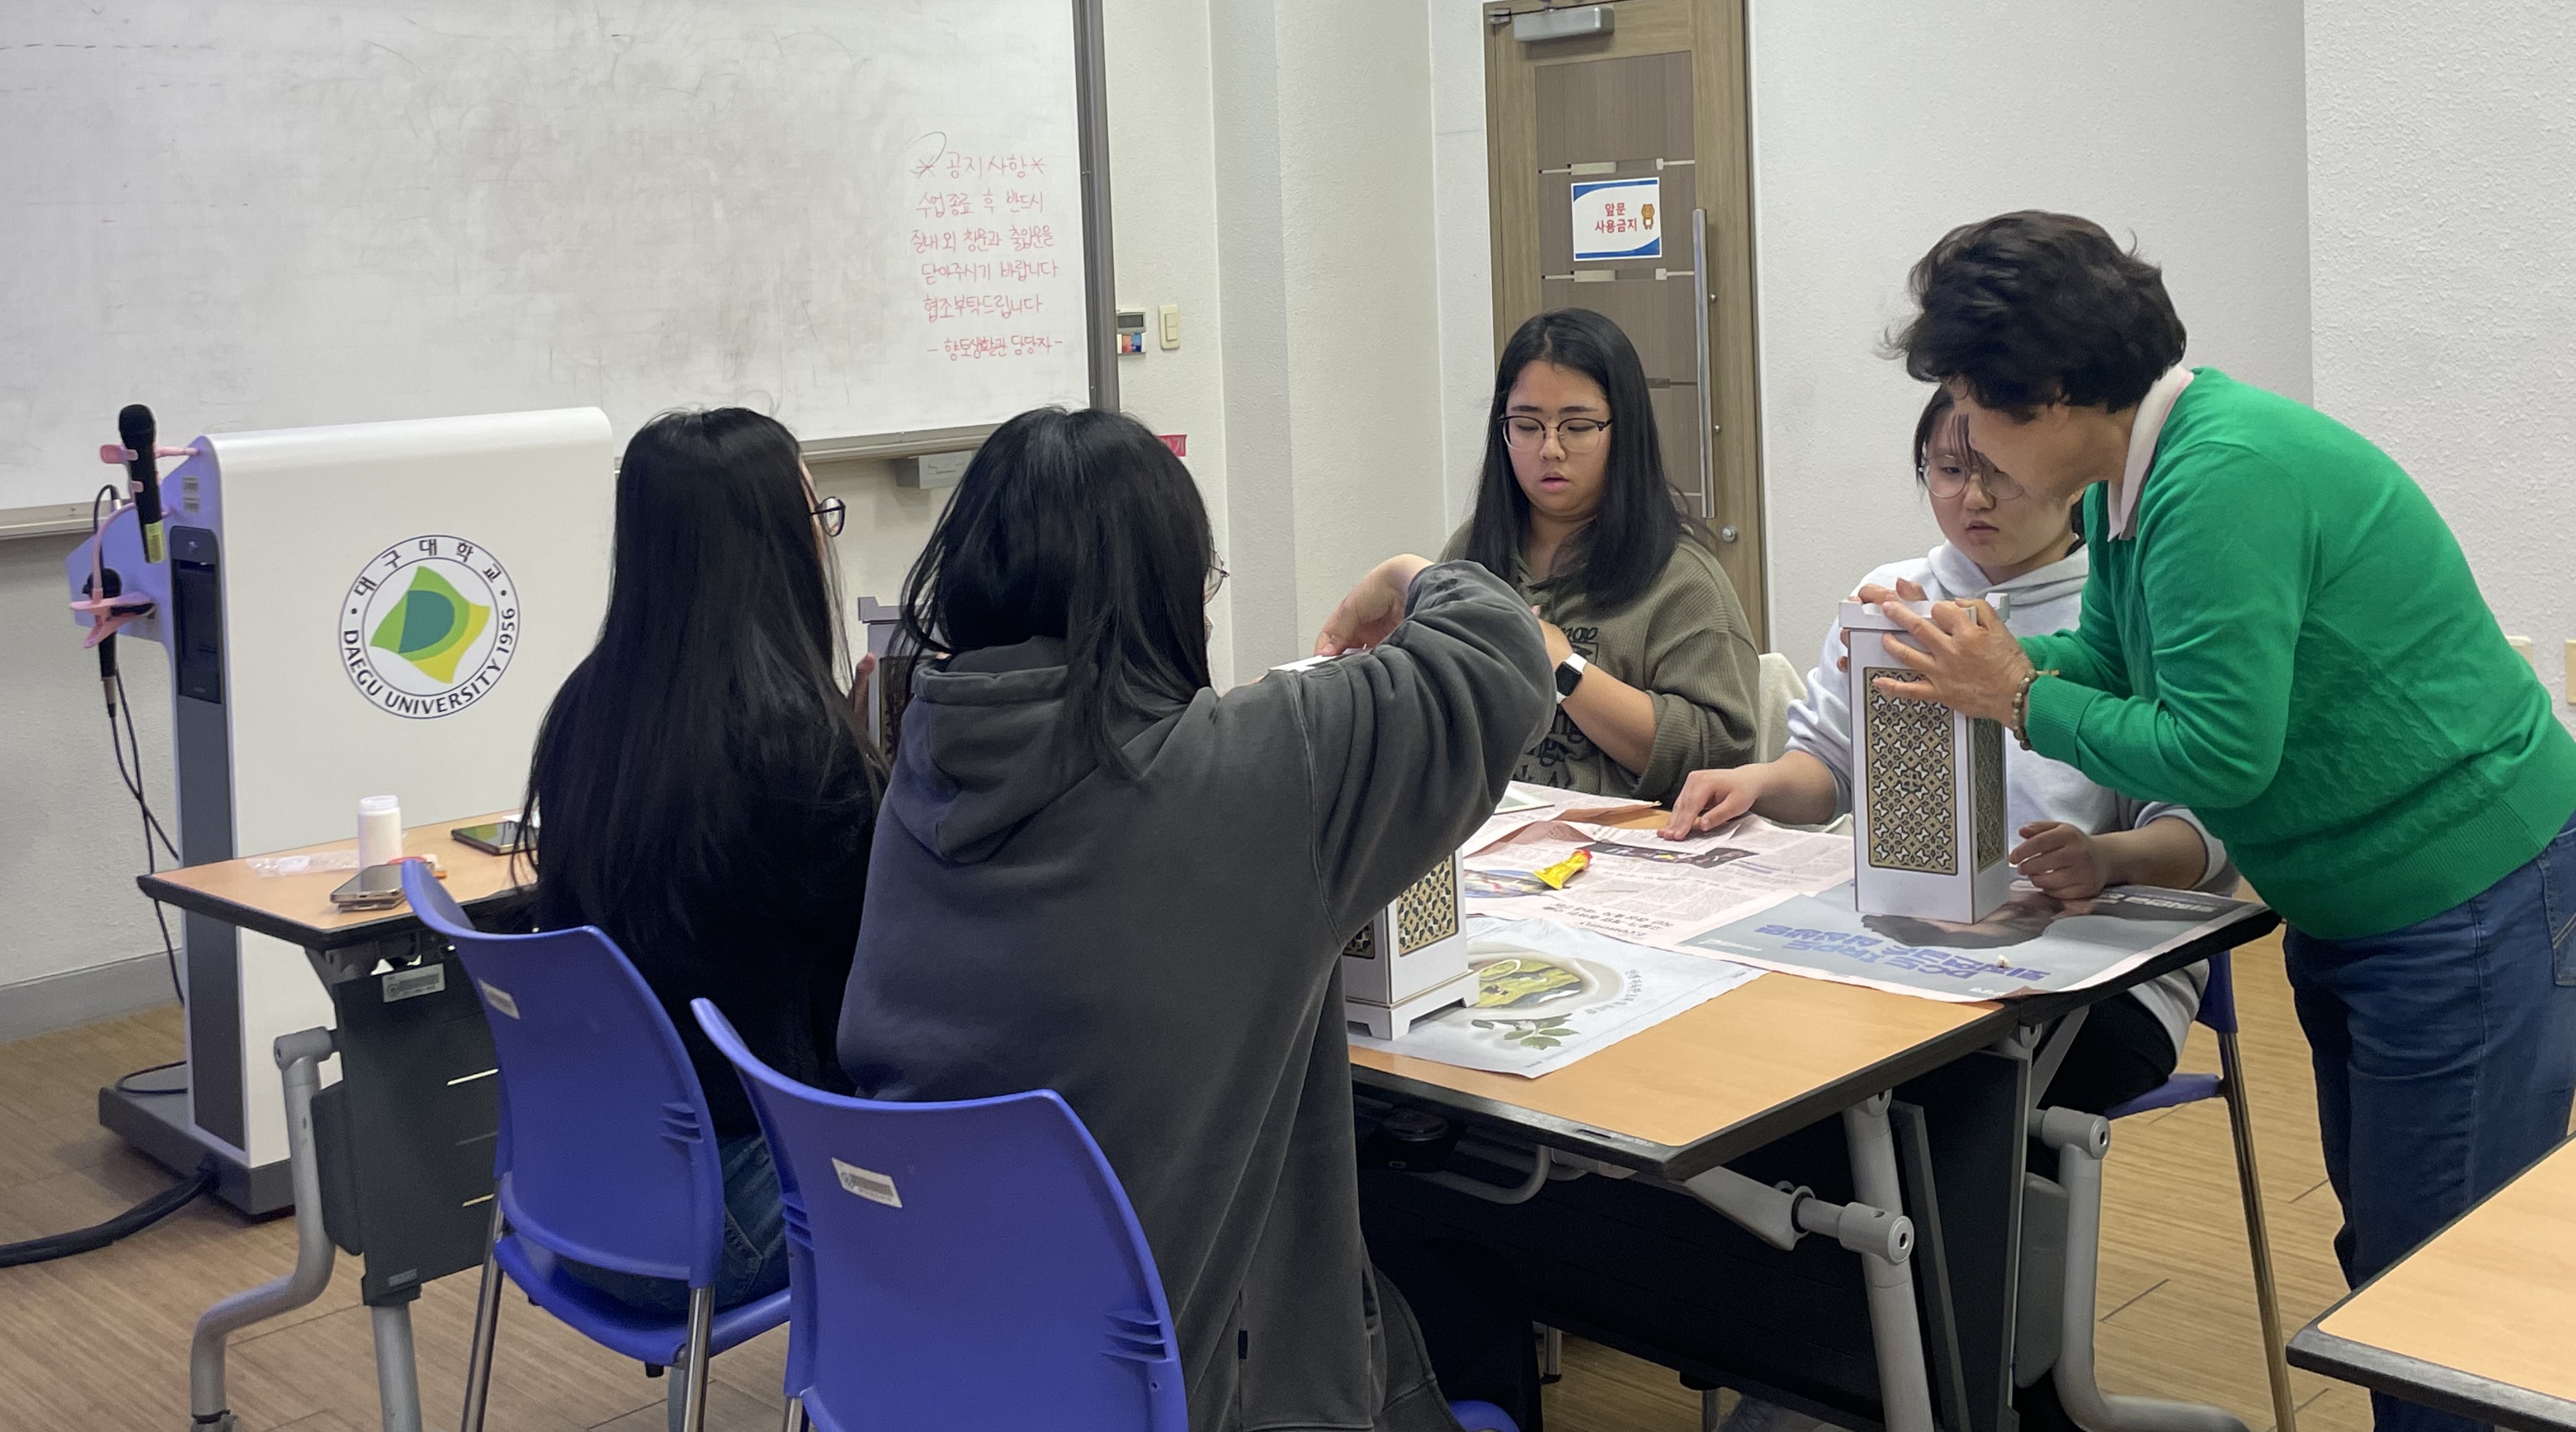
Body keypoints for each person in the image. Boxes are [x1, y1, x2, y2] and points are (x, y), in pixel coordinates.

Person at [1857, 213, 2576, 1432]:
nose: (1967, 440)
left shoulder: (2219, 477)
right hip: (2365, 893)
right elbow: (2116, 662)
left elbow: (2217, 750)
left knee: (2437, 1287)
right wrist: (1990, 664)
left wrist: (2020, 697)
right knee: (2394, 1253)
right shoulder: (2132, 476)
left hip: (2468, 883)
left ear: (2051, 394)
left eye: (1974, 404)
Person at [837, 407, 1554, 1432]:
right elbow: (1501, 655)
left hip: (952, 1356)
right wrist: (1405, 577)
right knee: (1462, 1301)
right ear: (1165, 596)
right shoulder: (1255, 771)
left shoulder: (922, 757)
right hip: (1183, 1381)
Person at [1666, 385, 2228, 1124]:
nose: (1975, 497)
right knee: (1770, 1045)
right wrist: (1757, 782)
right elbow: (1830, 769)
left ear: (2069, 472)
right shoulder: (1891, 601)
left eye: (2002, 470)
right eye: (1951, 470)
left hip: (2098, 973)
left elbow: (2201, 832)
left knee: (1919, 1083)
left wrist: (2105, 856)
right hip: (1913, 938)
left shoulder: (2123, 603)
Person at [519, 407, 883, 1318]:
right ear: (772, 545)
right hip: (722, 1216)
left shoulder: (586, 709)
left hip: (578, 1194)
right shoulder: (795, 748)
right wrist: (882, 779)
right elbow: (878, 994)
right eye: (815, 515)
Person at [1430, 307, 1762, 802]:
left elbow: (1723, 758)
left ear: (1622, 431)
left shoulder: (1682, 580)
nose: (1551, 449)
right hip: (1485, 831)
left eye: (1579, 427)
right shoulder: (1471, 553)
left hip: (1620, 840)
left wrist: (1563, 668)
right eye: (1527, 426)